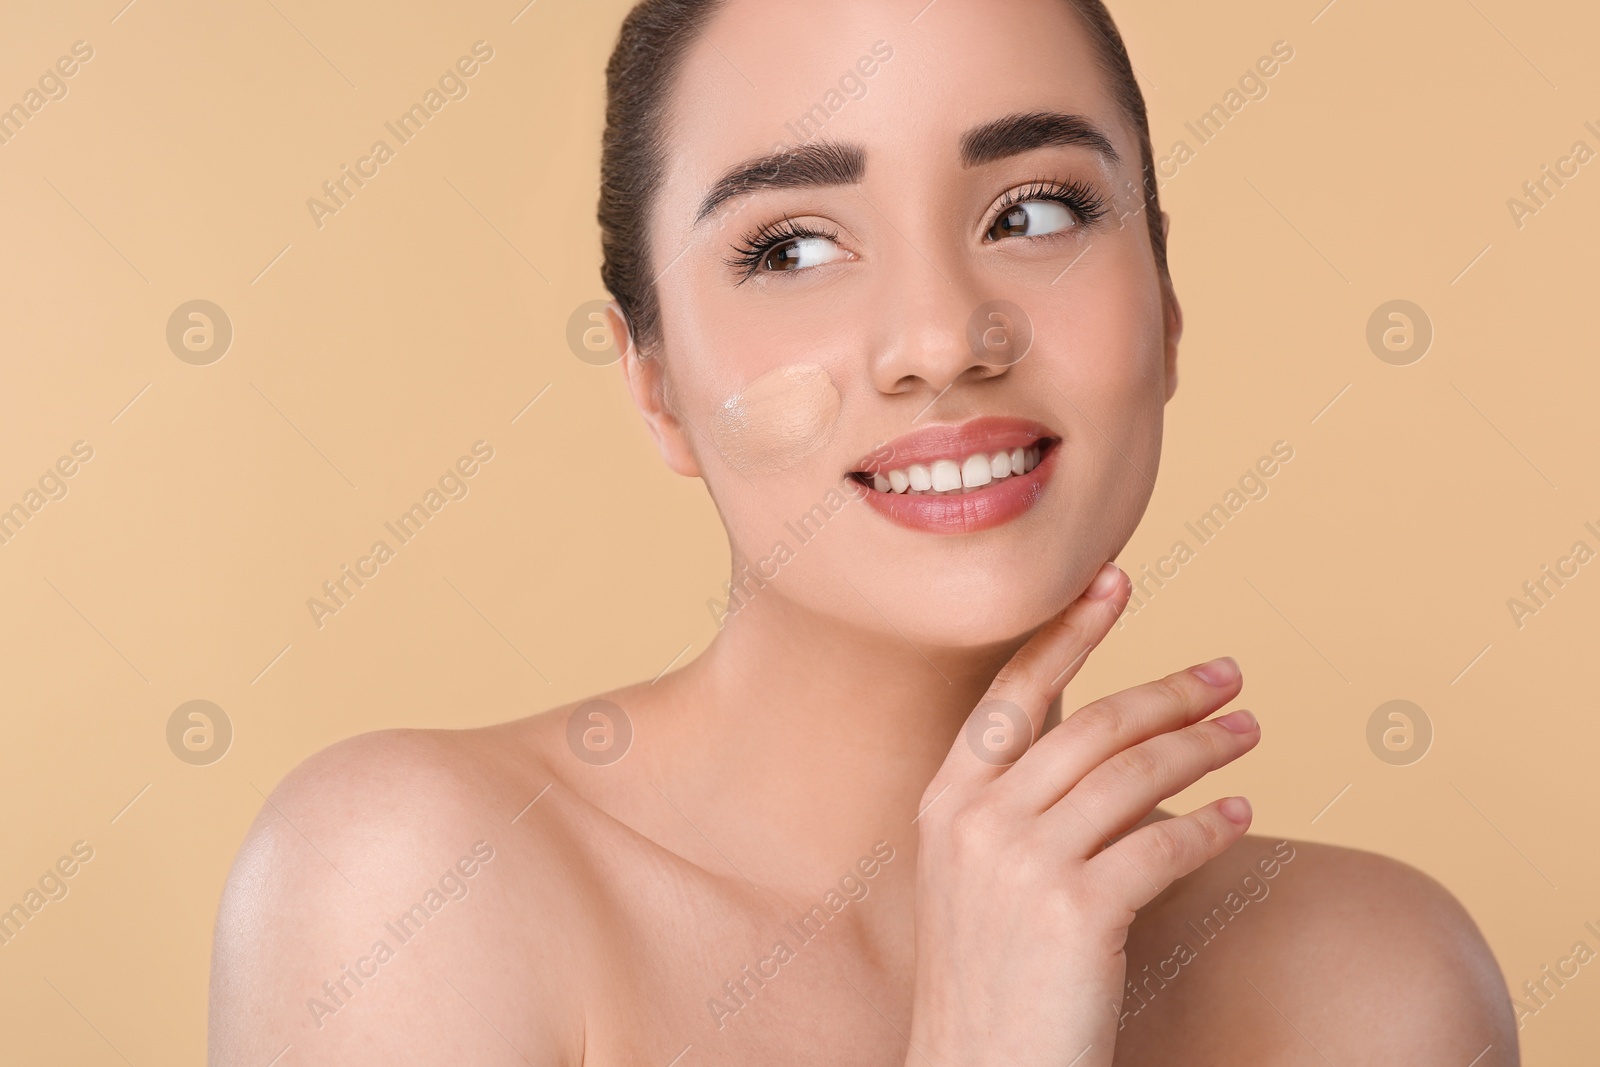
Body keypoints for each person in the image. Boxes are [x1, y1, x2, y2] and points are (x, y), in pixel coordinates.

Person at [209, 1, 1519, 1062]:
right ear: (654, 380)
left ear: (1166, 299)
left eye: (1037, 212)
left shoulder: (1373, 987)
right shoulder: (412, 893)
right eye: (791, 247)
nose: (943, 340)